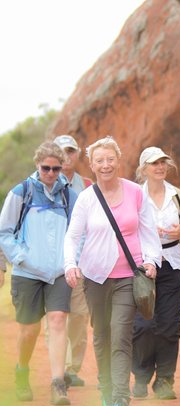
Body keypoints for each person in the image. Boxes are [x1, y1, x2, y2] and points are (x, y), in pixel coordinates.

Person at [64, 136, 161, 406]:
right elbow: (73, 237)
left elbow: (148, 232)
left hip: (128, 276)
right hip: (94, 277)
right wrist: (70, 264)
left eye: (110, 159)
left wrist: (152, 260)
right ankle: (105, 391)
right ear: (92, 166)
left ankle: (121, 398)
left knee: (120, 334)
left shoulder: (135, 193)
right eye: (99, 161)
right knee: (102, 336)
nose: (105, 165)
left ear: (118, 161)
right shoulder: (86, 198)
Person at [0, 142, 77, 405]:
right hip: (27, 273)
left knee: (57, 320)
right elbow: (4, 232)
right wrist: (21, 257)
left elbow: (79, 230)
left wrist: (72, 261)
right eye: (46, 168)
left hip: (58, 271)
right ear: (37, 165)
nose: (52, 173)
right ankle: (22, 370)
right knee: (29, 330)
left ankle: (58, 383)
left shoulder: (68, 194)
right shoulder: (21, 192)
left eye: (57, 168)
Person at [131, 146, 180, 400]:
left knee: (170, 324)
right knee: (144, 324)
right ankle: (140, 376)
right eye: (154, 163)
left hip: (172, 263)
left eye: (163, 163)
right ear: (143, 169)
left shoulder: (176, 195)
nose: (160, 167)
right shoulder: (135, 195)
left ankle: (165, 380)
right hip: (144, 265)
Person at [50, 135, 93, 387]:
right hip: (52, 265)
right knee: (55, 317)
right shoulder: (43, 183)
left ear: (77, 154)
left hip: (81, 262)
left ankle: (72, 368)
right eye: (61, 151)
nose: (66, 156)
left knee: (78, 316)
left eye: (71, 151)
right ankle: (60, 369)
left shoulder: (87, 185)